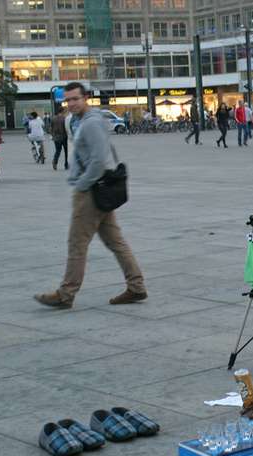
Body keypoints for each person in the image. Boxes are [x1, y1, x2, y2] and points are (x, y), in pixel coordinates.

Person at [34, 82, 147, 309]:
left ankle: (66, 294)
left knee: (77, 243)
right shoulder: (85, 121)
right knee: (116, 241)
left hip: (91, 192)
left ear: (86, 98)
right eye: (68, 100)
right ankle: (136, 287)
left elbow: (98, 159)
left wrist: (83, 185)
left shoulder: (91, 123)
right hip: (98, 189)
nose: (72, 103)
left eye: (76, 98)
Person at [51, 106, 69, 171]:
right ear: (63, 111)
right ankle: (66, 164)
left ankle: (55, 162)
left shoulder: (53, 118)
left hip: (56, 137)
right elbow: (67, 128)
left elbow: (51, 128)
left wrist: (53, 135)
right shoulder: (65, 118)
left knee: (58, 151)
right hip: (64, 137)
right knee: (66, 151)